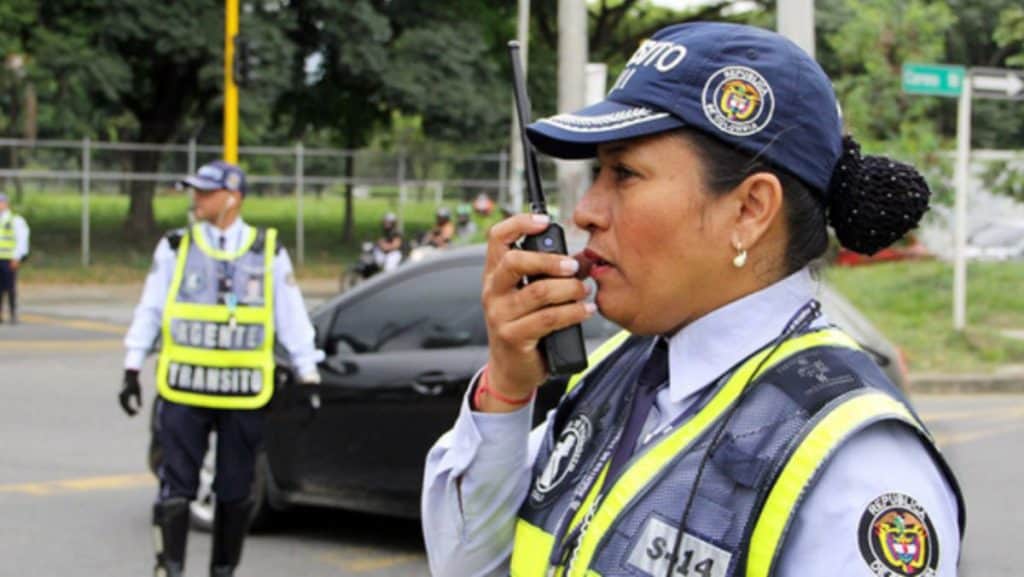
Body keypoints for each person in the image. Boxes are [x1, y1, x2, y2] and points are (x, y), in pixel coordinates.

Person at [422, 22, 964, 577]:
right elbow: (468, 565)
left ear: (750, 210)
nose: (586, 211)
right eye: (596, 173)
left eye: (623, 173)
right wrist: (508, 391)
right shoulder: (621, 370)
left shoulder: (854, 464)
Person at [118, 161, 323, 577]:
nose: (196, 199)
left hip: (244, 394)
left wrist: (308, 373)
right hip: (184, 390)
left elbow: (291, 317)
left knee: (234, 493)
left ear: (233, 197)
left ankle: (223, 571)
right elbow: (151, 309)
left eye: (205, 192)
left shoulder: (268, 250)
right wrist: (131, 366)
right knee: (176, 489)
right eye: (195, 191)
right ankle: (170, 568)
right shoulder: (176, 246)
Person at [0, 192, 30, 324]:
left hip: (9, 259)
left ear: (6, 204)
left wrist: (17, 257)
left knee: (10, 287)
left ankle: (12, 313)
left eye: (1, 202)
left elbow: (22, 240)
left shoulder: (15, 220)